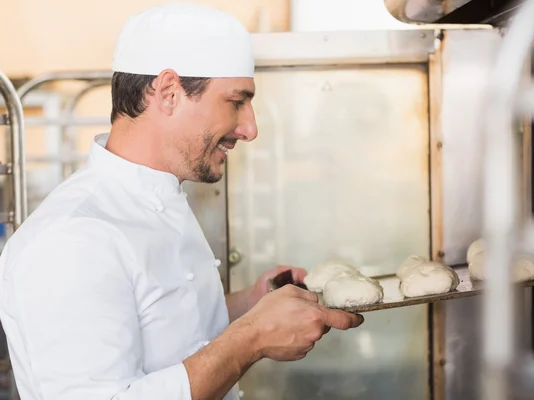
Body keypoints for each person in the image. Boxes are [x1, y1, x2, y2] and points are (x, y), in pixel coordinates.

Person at [0, 3, 364, 400]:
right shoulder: (71, 239)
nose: (250, 128)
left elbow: (160, 327)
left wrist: (248, 305)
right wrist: (251, 338)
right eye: (236, 101)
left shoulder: (159, 196)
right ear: (169, 92)